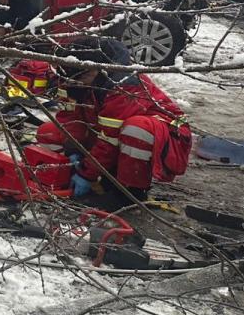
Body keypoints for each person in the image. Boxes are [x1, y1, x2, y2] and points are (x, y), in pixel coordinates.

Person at [34, 37, 191, 207]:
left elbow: (109, 139)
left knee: (137, 129)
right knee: (48, 131)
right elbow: (70, 119)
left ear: (93, 71)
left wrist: (87, 174)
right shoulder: (70, 76)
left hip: (164, 137)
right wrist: (74, 151)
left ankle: (131, 192)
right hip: (110, 136)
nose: (74, 84)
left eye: (80, 79)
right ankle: (75, 175)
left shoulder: (124, 85)